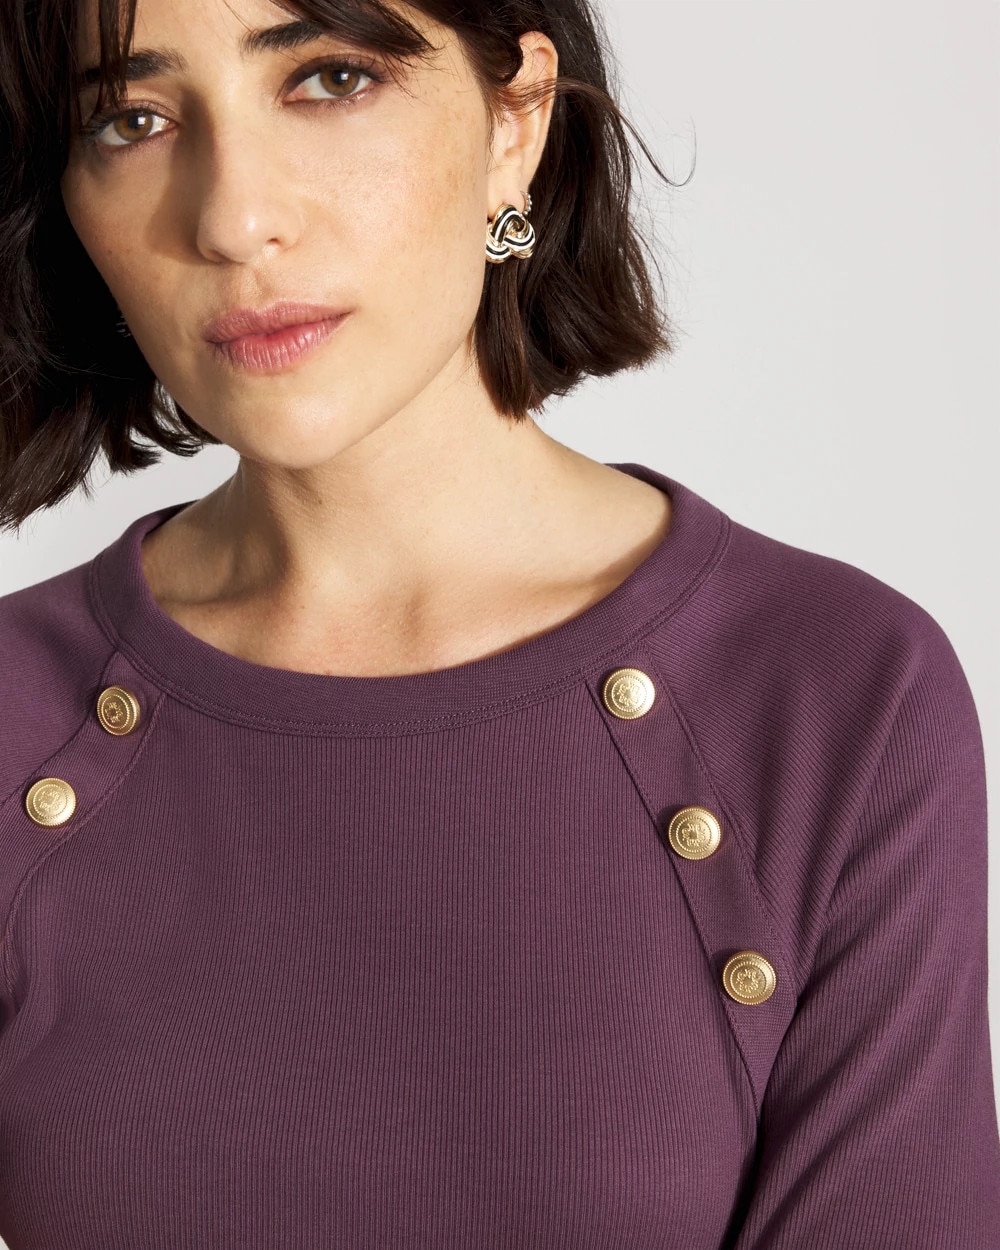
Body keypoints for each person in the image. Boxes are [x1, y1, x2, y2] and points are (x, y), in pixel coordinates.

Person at [0, 0, 997, 1246]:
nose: (232, 218)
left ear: (514, 121)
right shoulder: (16, 717)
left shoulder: (830, 689)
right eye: (131, 120)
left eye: (330, 80)